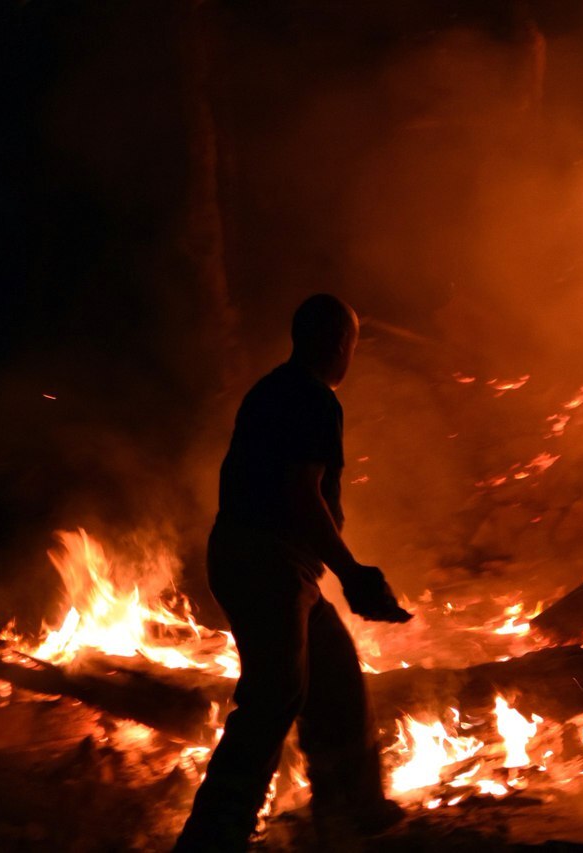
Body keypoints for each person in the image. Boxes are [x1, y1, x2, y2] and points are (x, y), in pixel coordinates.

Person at [175, 294, 411, 852]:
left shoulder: (271, 390)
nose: (351, 355)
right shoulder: (313, 399)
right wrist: (353, 573)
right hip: (267, 565)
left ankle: (349, 811)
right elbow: (304, 497)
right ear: (338, 345)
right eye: (352, 344)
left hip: (265, 563)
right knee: (275, 695)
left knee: (335, 676)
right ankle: (213, 836)